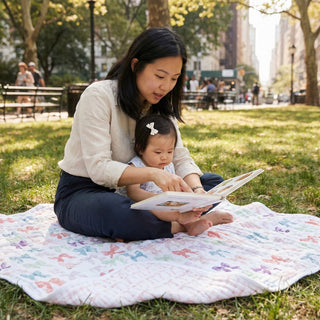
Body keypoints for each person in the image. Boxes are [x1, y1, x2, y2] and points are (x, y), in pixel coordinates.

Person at [54, 27, 233, 242]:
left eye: (174, 78)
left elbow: (179, 157)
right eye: (160, 76)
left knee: (213, 183)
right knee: (118, 211)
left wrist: (196, 190)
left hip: (147, 192)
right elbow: (99, 168)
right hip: (84, 193)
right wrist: (154, 173)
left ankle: (177, 216)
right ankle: (181, 225)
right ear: (136, 65)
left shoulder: (161, 106)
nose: (166, 86)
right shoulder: (99, 96)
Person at [118, 114, 232, 236]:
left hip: (171, 203)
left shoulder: (168, 165)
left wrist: (192, 196)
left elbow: (179, 185)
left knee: (213, 183)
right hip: (149, 206)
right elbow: (133, 192)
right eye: (158, 152)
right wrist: (156, 199)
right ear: (140, 148)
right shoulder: (136, 166)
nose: (164, 156)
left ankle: (191, 223)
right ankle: (192, 220)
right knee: (156, 212)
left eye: (170, 151)